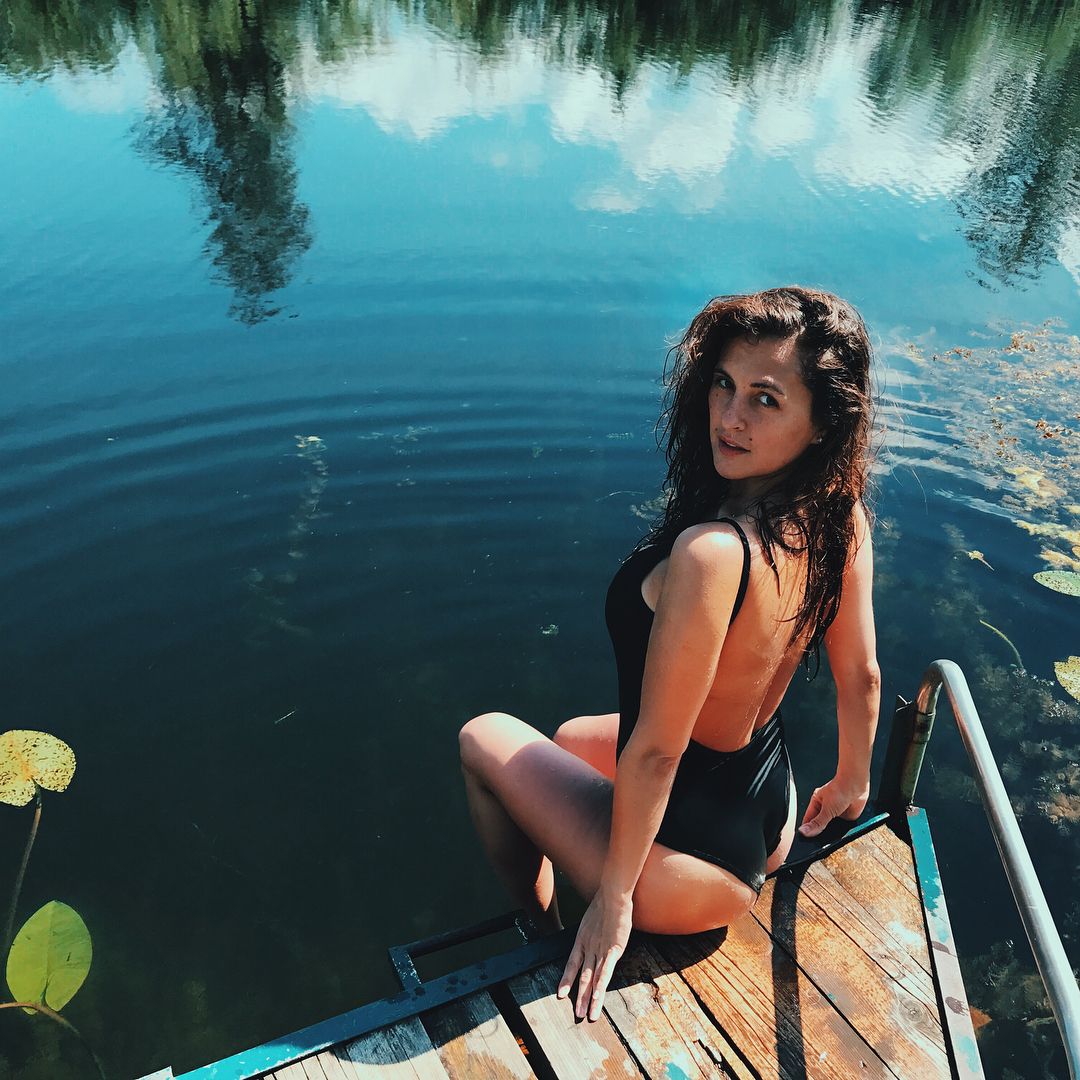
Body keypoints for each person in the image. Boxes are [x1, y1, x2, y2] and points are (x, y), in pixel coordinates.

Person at [458, 286, 880, 1023]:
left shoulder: (712, 553)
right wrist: (850, 782)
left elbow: (656, 751)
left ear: (823, 424)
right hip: (770, 814)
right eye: (723, 384)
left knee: (483, 736)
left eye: (766, 399)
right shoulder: (839, 515)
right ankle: (594, 871)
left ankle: (543, 931)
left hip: (689, 875)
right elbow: (863, 676)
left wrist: (614, 900)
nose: (729, 417)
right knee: (568, 739)